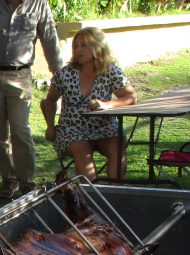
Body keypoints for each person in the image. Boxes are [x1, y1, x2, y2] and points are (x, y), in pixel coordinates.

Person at [0, 0, 63, 198]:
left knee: (21, 129)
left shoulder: (39, 4)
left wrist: (61, 79)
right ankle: (8, 179)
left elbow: (50, 42)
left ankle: (27, 182)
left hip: (21, 74)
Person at [41, 27, 137, 181]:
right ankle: (93, 192)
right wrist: (50, 127)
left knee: (117, 147)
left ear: (97, 47)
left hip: (104, 127)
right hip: (72, 129)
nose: (78, 50)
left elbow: (131, 96)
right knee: (82, 150)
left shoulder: (111, 71)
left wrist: (107, 104)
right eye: (75, 46)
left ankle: (115, 190)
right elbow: (49, 100)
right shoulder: (64, 74)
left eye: (84, 45)